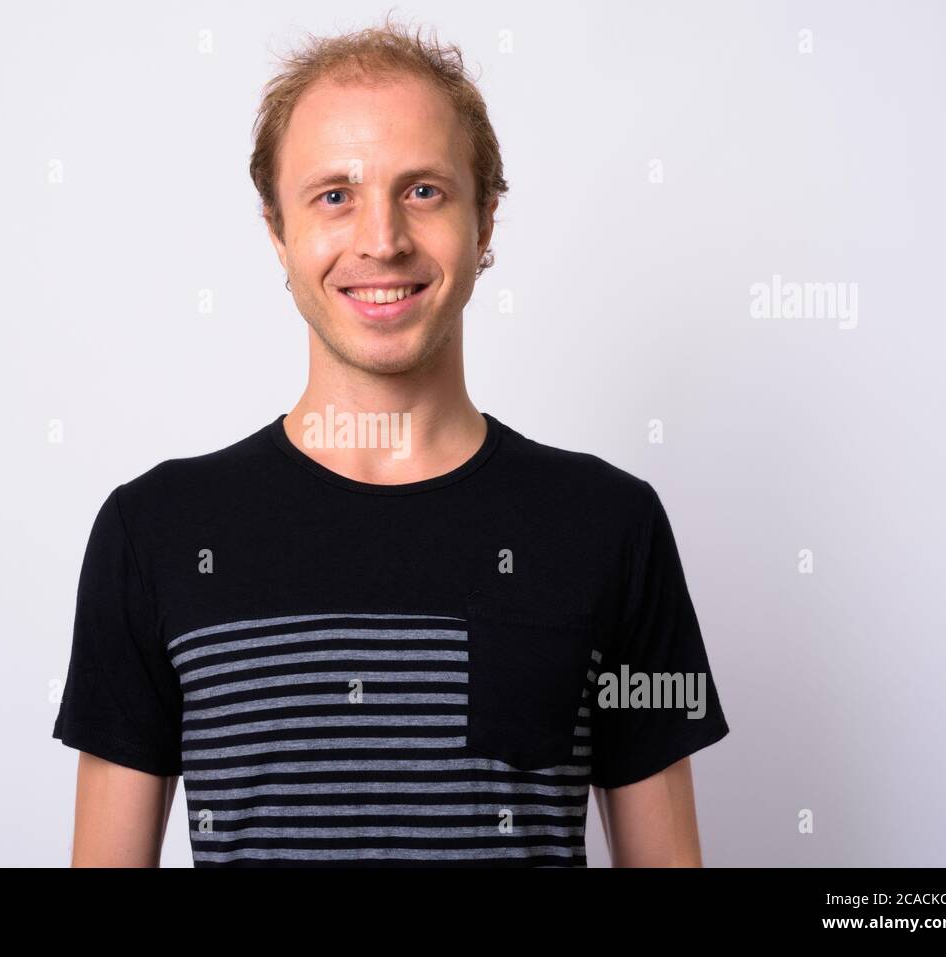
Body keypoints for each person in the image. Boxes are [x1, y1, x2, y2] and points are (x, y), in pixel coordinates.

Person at [52, 15, 729, 867]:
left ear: (485, 224)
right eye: (334, 194)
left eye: (424, 190)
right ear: (278, 234)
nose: (382, 238)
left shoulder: (612, 524)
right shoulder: (151, 532)